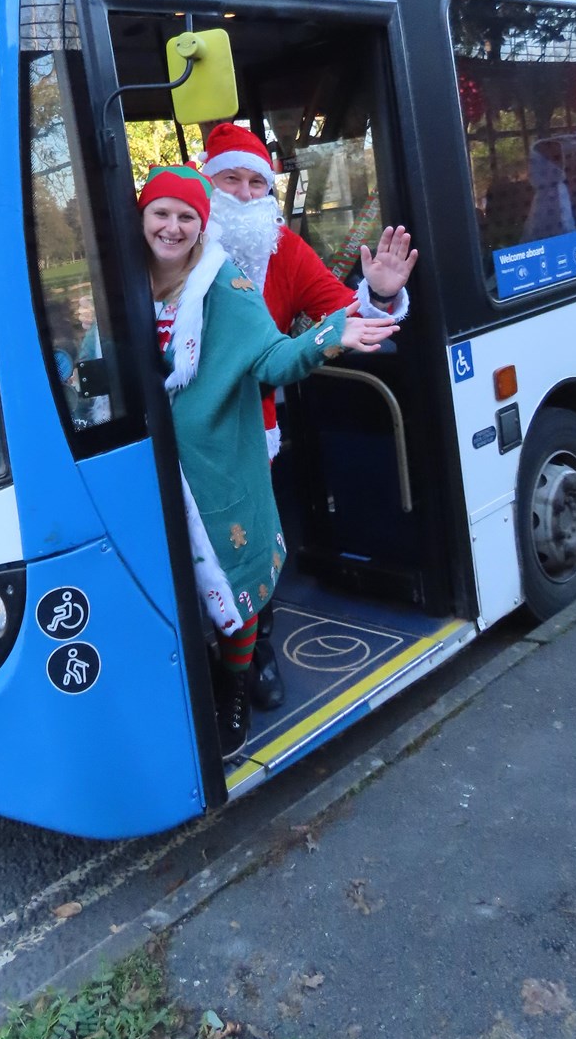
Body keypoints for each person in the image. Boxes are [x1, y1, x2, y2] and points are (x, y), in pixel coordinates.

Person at [138, 163, 400, 758]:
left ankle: (237, 682)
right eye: (162, 214)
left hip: (221, 463)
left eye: (186, 216)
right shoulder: (119, 285)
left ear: (203, 226)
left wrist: (353, 317)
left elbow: (276, 357)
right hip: (147, 472)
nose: (174, 227)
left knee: (237, 585)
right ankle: (209, 668)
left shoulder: (225, 285)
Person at [199, 122, 418, 710]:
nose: (244, 195)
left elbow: (345, 314)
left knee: (248, 548)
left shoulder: (284, 249)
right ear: (205, 180)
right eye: (230, 180)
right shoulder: (179, 241)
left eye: (255, 183)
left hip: (253, 432)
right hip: (183, 439)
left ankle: (254, 649)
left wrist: (379, 295)